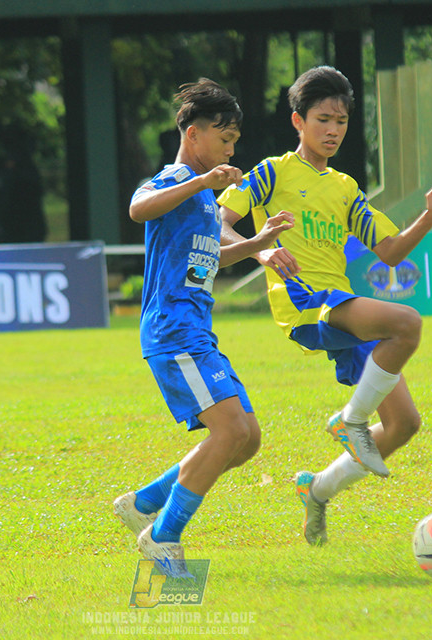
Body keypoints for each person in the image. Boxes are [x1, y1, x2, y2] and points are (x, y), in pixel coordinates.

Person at [216, 66, 432, 546]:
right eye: (323, 119)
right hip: (307, 302)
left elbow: (389, 251)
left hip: (340, 304)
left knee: (403, 424)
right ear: (298, 121)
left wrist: (430, 216)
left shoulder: (346, 188)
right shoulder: (273, 171)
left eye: (342, 121)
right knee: (406, 323)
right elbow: (219, 223)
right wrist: (261, 248)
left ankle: (318, 490)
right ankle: (350, 420)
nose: (333, 130)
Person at [112, 79, 295, 577]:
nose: (231, 150)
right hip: (173, 332)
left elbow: (209, 257)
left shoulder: (202, 197)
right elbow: (137, 207)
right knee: (232, 429)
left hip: (196, 331)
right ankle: (163, 535)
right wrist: (201, 182)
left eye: (235, 141)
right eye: (224, 138)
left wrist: (260, 241)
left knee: (247, 438)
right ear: (193, 135)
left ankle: (146, 502)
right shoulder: (175, 179)